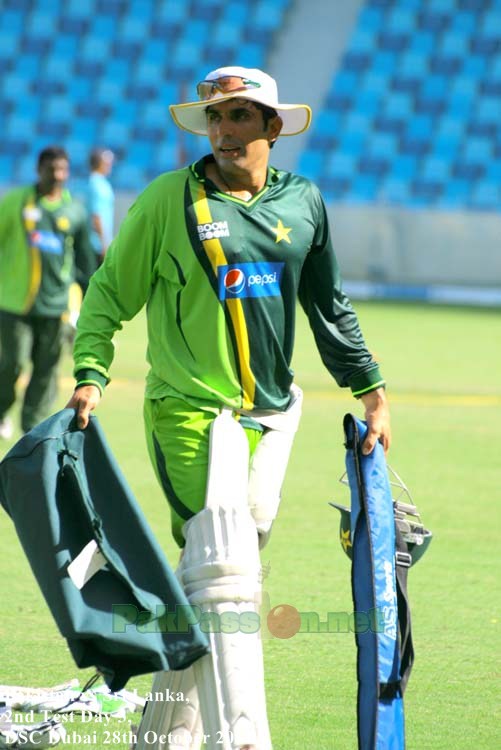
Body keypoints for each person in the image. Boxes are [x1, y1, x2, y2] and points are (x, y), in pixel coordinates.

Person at [67, 67, 391, 750]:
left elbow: (327, 307)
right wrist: (92, 372)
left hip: (271, 415)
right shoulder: (166, 202)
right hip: (188, 411)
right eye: (214, 118)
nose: (223, 131)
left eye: (240, 117)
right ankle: (240, 739)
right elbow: (107, 293)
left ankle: (162, 732)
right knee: (225, 565)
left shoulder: (303, 203)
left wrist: (371, 393)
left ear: (273, 127)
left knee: (222, 567)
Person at [0, 145, 96, 439]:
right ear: (38, 170)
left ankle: (32, 430)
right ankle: (2, 410)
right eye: (51, 169)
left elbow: (84, 262)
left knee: (46, 372)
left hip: (56, 307)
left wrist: (89, 305)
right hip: (14, 303)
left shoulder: (75, 210)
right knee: (12, 364)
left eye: (62, 170)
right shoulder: (15, 203)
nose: (57, 175)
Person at [86, 147, 115, 262]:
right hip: (97, 245)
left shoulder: (99, 183)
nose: (111, 165)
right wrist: (104, 244)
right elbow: (96, 216)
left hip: (100, 243)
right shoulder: (97, 185)